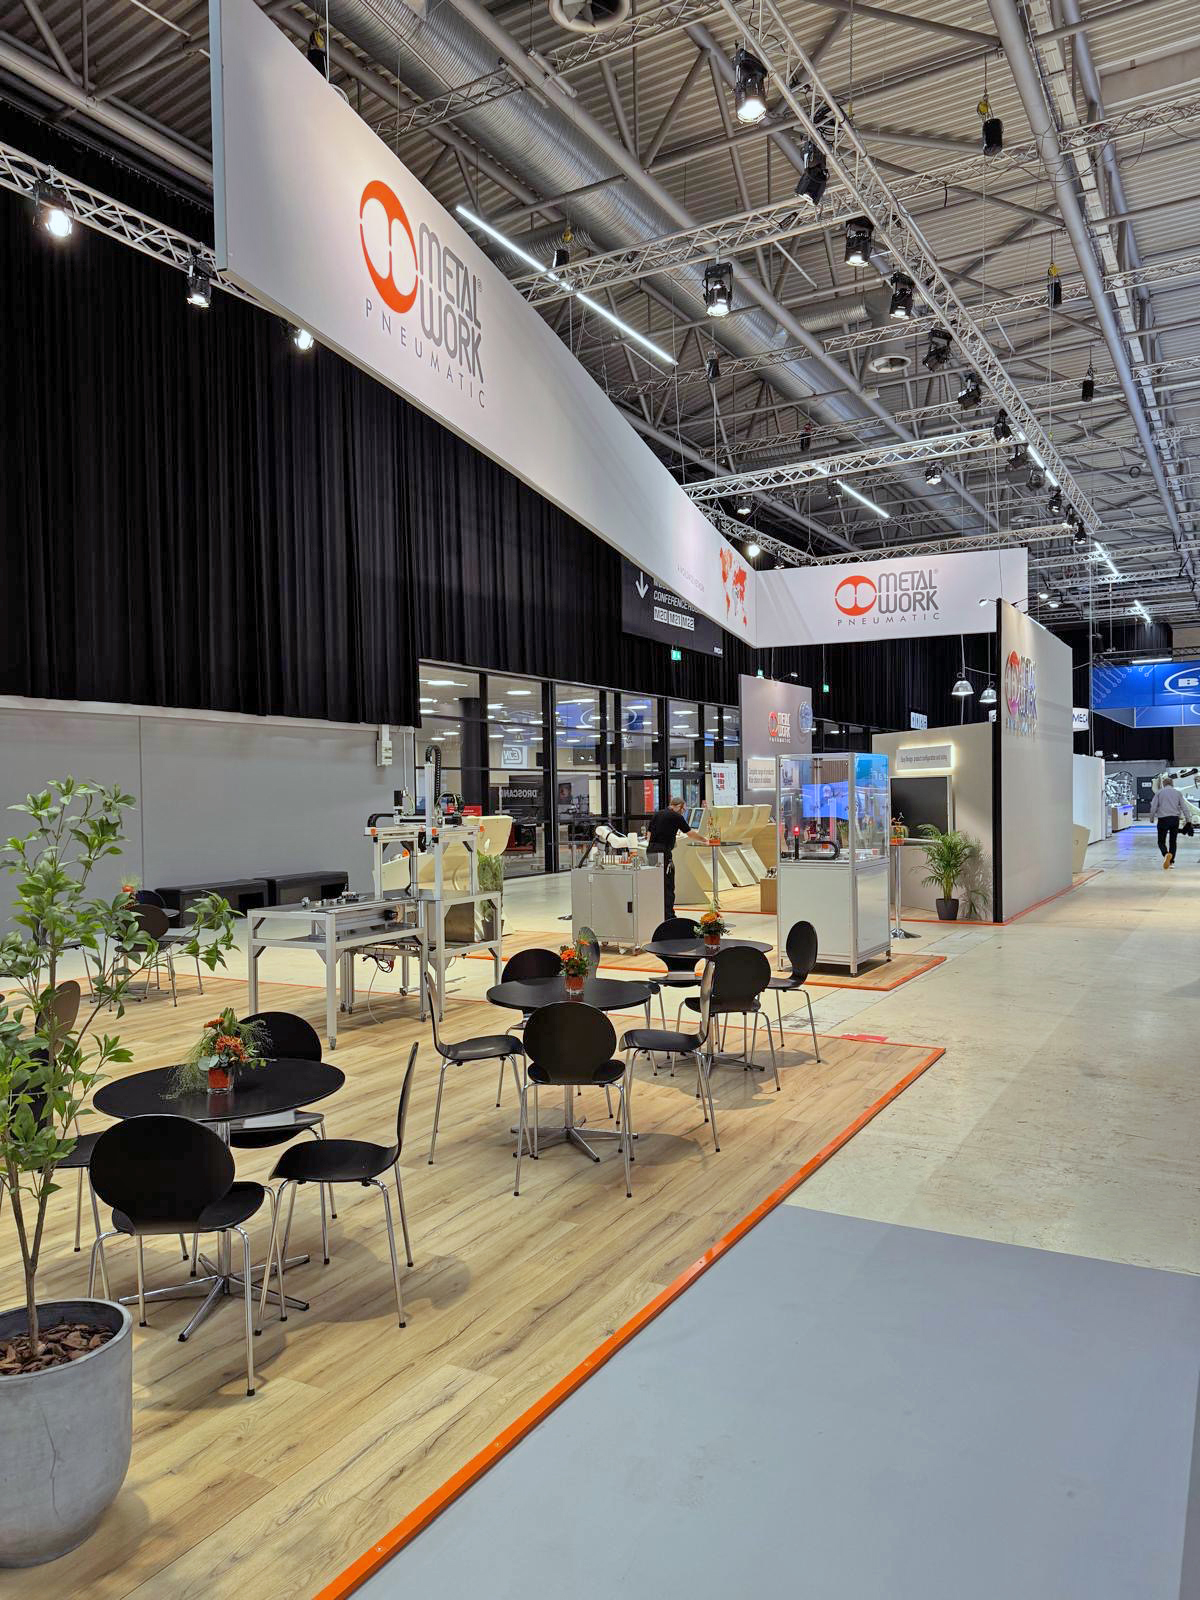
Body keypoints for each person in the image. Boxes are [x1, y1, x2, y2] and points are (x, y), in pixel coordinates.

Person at [646, 796, 701, 917]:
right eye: (684, 809)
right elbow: (690, 833)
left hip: (651, 851)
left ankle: (655, 913)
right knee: (668, 884)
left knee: (655, 883)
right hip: (663, 853)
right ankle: (669, 915)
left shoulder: (658, 813)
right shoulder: (676, 816)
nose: (683, 812)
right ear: (679, 806)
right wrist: (705, 840)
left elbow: (648, 834)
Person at [1149, 777, 1188, 869]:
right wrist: (1188, 820)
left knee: (1161, 841)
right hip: (1174, 819)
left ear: (1163, 784)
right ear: (1172, 784)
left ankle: (1166, 854)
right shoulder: (1178, 793)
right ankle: (1171, 862)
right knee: (1173, 841)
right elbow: (1184, 807)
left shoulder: (1159, 793)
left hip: (1163, 819)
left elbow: (1153, 806)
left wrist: (1151, 818)